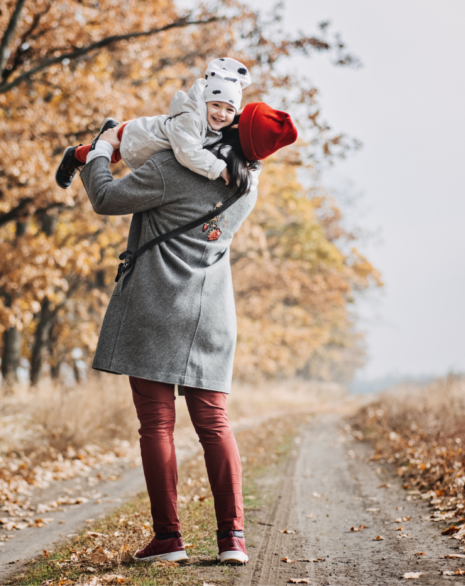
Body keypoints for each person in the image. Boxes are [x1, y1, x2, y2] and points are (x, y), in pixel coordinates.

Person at [78, 102, 298, 564]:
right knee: (215, 425)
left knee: (157, 425)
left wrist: (100, 149)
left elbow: (106, 199)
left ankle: (169, 539)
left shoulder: (173, 167)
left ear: (235, 126)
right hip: (212, 315)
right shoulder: (247, 186)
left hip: (155, 309)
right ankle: (232, 539)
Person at [55, 57, 252, 189]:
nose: (221, 114)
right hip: (138, 136)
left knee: (116, 151)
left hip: (149, 136)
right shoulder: (191, 119)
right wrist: (220, 169)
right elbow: (189, 153)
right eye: (216, 105)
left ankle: (113, 129)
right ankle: (74, 155)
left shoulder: (215, 126)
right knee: (111, 153)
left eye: (229, 110)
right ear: (205, 103)